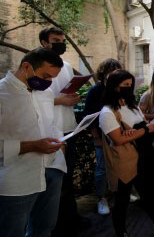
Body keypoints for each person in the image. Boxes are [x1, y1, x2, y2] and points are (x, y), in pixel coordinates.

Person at [99, 70, 154, 236]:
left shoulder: (132, 106)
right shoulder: (107, 112)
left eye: (130, 85)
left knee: (146, 194)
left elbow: (144, 125)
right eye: (125, 85)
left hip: (142, 156)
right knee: (122, 200)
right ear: (114, 87)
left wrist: (136, 132)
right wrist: (141, 131)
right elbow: (118, 139)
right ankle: (121, 232)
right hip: (124, 161)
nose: (129, 88)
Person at [0, 48, 65, 237]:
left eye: (52, 78)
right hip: (17, 181)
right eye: (45, 76)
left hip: (52, 170)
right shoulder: (2, 94)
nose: (48, 82)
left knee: (44, 229)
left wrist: (62, 143)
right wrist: (32, 146)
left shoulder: (45, 93)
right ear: (26, 66)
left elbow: (51, 124)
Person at [39, 27, 86, 236]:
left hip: (69, 127)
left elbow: (67, 92)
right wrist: (60, 100)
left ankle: (70, 217)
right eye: (55, 40)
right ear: (43, 43)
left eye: (62, 40)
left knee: (67, 178)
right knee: (52, 181)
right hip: (49, 131)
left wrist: (73, 98)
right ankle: (54, 224)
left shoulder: (66, 66)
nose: (60, 43)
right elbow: (32, 97)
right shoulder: (33, 65)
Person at [84, 58, 122, 215]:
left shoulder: (119, 89)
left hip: (119, 135)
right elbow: (89, 118)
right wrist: (96, 138)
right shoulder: (95, 91)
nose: (113, 74)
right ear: (103, 73)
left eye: (116, 71)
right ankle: (102, 198)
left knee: (120, 166)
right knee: (101, 169)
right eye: (110, 71)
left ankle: (119, 194)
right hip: (102, 136)